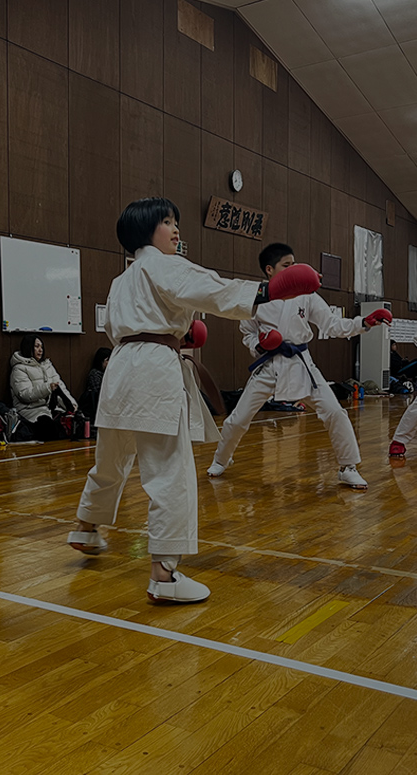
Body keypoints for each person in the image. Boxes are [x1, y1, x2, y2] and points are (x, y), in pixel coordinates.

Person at [67, 198, 321, 604]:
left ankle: (85, 526)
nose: (176, 229)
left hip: (120, 367)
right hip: (153, 368)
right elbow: (211, 289)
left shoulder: (124, 278)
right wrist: (268, 290)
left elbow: (128, 324)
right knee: (170, 469)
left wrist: (179, 333)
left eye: (175, 222)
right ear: (145, 230)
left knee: (111, 459)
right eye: (167, 222)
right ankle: (164, 574)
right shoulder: (165, 265)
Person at [206, 242, 392, 490]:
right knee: (238, 419)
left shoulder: (308, 296)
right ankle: (221, 459)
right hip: (270, 365)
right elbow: (247, 333)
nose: (293, 269)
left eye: (295, 264)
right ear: (270, 270)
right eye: (287, 265)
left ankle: (348, 467)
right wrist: (260, 345)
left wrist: (364, 323)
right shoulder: (254, 297)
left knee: (335, 412)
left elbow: (332, 324)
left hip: (302, 364)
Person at [9, 334, 77, 440]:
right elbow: (24, 394)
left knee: (74, 424)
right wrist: (47, 388)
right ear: (28, 347)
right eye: (36, 346)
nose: (40, 350)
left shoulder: (47, 365)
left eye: (41, 347)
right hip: (30, 410)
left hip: (48, 410)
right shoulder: (19, 369)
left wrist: (72, 404)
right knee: (48, 428)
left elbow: (61, 387)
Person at [78, 347, 112, 423]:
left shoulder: (108, 374)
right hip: (96, 408)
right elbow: (98, 393)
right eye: (108, 360)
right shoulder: (94, 374)